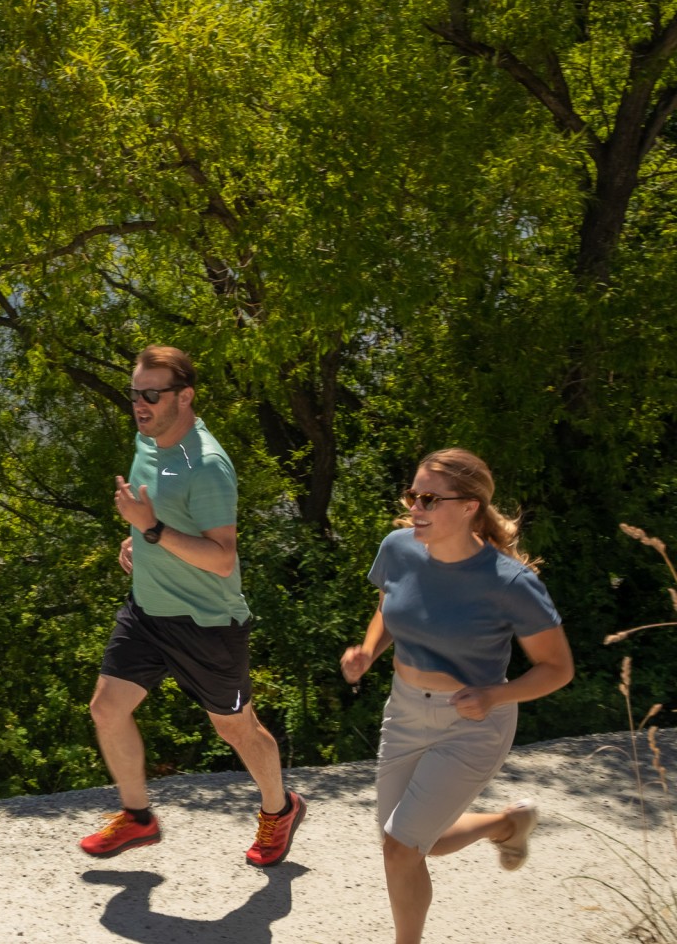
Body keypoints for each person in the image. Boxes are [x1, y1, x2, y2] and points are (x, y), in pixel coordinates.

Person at [80, 345, 304, 866]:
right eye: (136, 392)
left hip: (206, 624)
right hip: (147, 611)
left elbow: (222, 558)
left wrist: (152, 529)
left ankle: (280, 808)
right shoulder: (148, 439)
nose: (140, 403)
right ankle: (139, 818)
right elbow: (160, 519)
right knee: (106, 708)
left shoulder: (207, 466)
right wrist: (139, 540)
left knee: (235, 727)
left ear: (185, 397)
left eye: (152, 394)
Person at [340, 448, 572, 944]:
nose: (414, 508)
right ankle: (507, 824)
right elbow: (390, 609)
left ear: (469, 507)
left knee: (401, 848)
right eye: (412, 495)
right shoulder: (398, 549)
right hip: (403, 710)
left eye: (428, 499)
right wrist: (368, 650)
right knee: (413, 842)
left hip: (472, 724)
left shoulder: (510, 583)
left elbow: (557, 668)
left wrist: (494, 695)